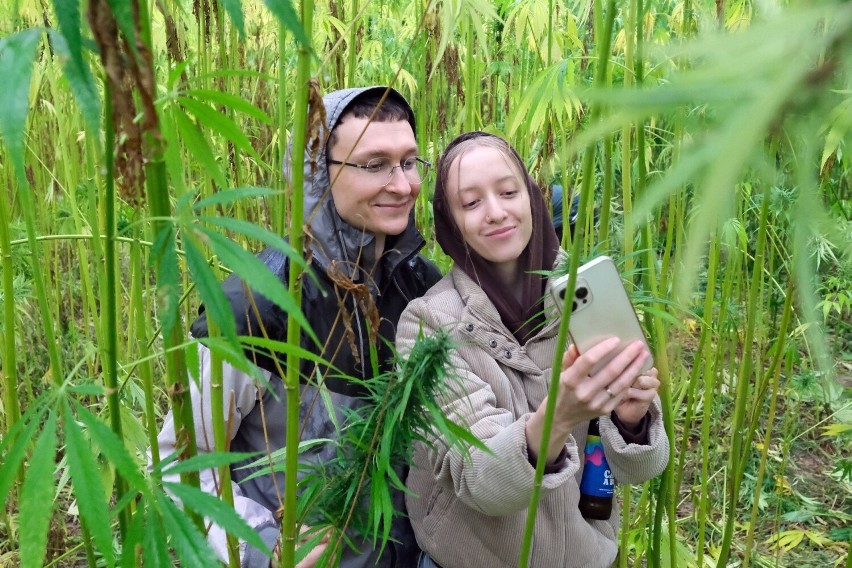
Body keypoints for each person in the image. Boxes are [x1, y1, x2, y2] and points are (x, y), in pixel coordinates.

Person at [154, 86, 441, 567]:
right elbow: (179, 467)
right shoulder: (257, 305)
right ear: (316, 175)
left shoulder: (421, 288)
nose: (403, 184)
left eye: (410, 162)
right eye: (375, 165)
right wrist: (264, 546)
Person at [396, 132, 669, 568]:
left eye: (508, 191)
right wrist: (561, 415)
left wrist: (632, 419)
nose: (497, 212)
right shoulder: (429, 325)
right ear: (449, 222)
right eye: (471, 203)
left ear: (532, 198)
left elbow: (640, 470)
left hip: (586, 555)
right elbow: (479, 480)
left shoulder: (587, 294)